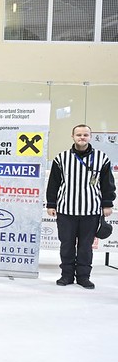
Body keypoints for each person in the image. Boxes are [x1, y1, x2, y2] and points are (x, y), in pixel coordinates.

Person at [46, 124, 115, 289]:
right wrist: (51, 203)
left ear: (90, 137)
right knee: (67, 245)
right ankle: (66, 276)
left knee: (85, 246)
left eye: (85, 135)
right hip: (66, 210)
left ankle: (84, 277)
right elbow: (53, 184)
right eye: (79, 135)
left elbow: (108, 184)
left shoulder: (102, 158)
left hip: (90, 211)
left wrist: (107, 204)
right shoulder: (61, 158)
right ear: (72, 136)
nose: (82, 137)